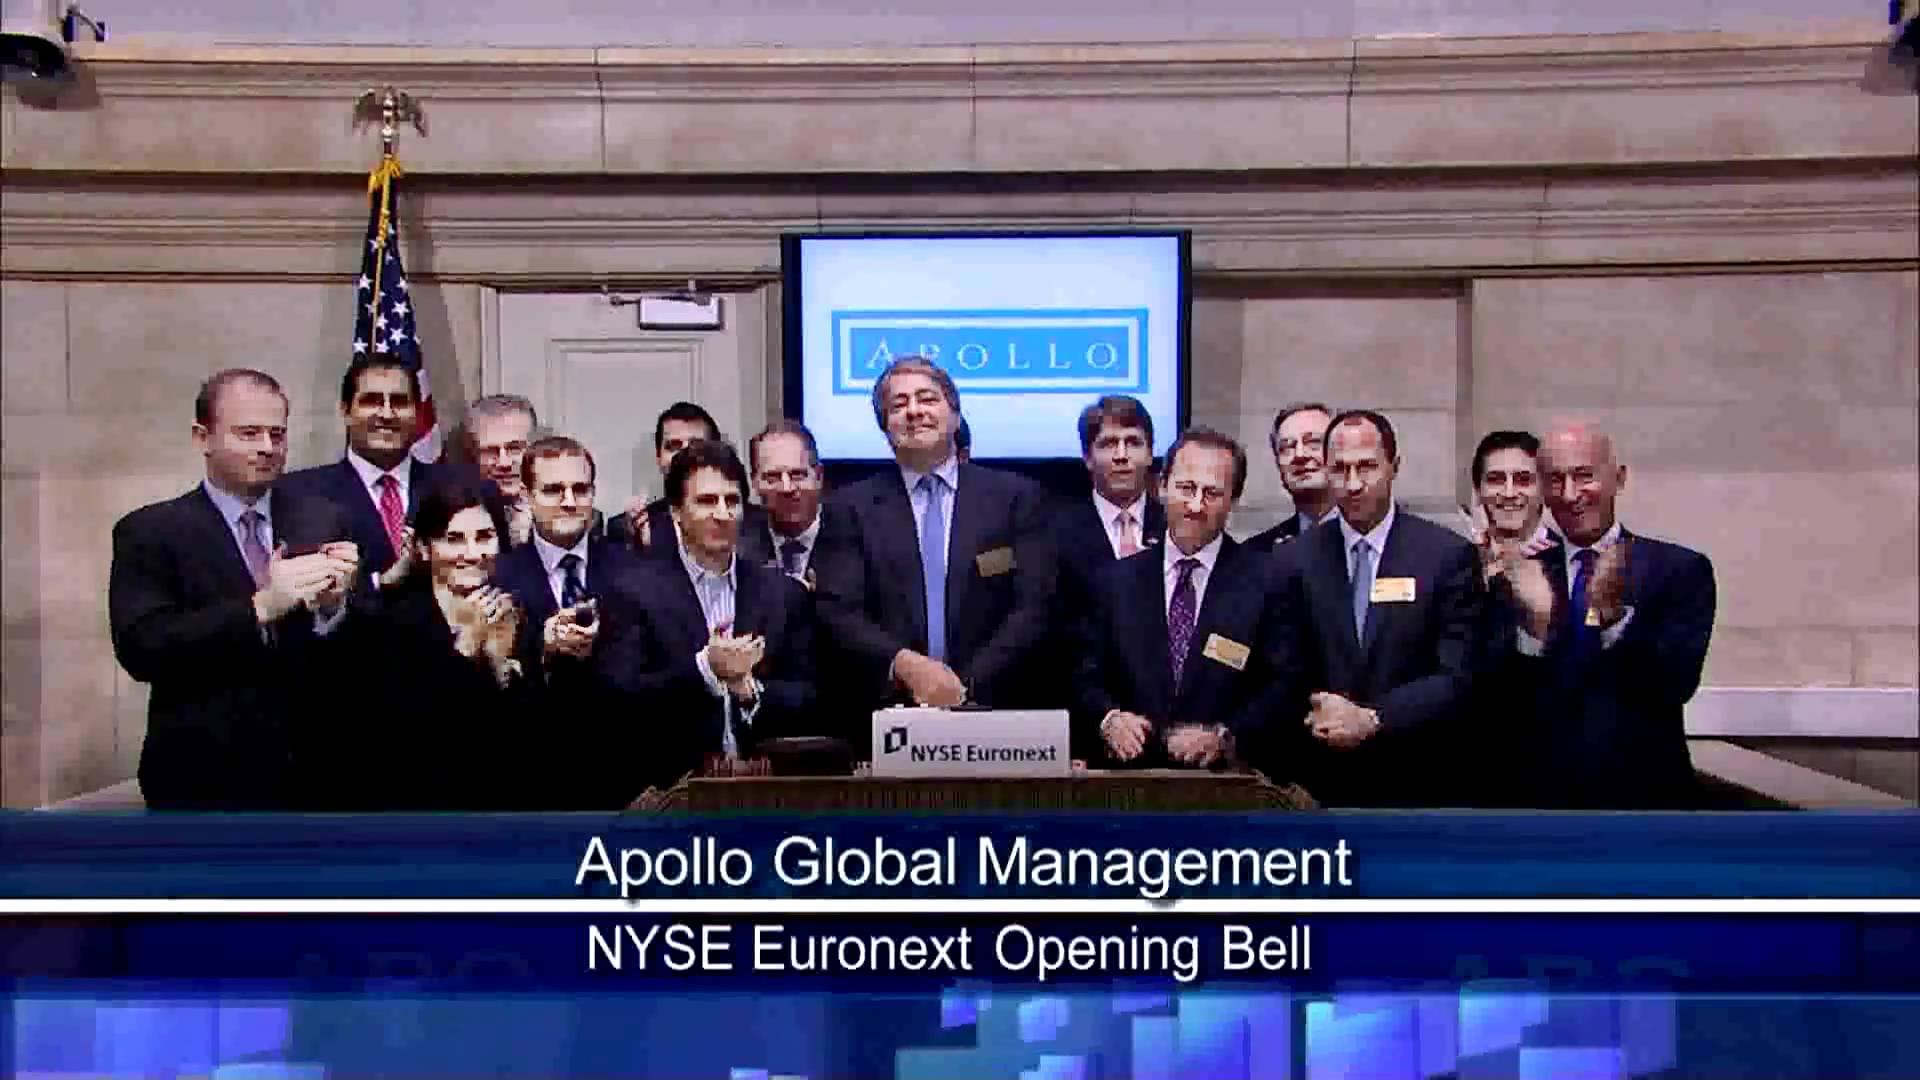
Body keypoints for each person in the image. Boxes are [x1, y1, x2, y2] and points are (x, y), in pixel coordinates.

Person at [108, 369, 359, 809]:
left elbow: (355, 655)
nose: (267, 447)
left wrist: (333, 610)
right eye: (248, 433)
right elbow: (142, 648)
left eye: (277, 434)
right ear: (202, 437)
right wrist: (259, 607)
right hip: (203, 779)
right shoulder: (151, 531)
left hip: (316, 779)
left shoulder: (322, 519)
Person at [812, 356, 1056, 722]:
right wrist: (907, 666)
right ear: (885, 426)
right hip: (887, 715)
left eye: (927, 399)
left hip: (996, 711)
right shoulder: (849, 508)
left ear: (955, 416)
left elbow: (1034, 607)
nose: (914, 411)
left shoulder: (1016, 499)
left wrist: (963, 687)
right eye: (899, 404)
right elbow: (839, 611)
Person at [1497, 422, 1717, 809]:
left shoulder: (1677, 570)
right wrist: (1535, 629)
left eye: (1584, 476)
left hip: (1644, 798)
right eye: (1555, 480)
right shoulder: (1519, 574)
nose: (1570, 494)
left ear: (1619, 478)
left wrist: (1614, 623)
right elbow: (1495, 698)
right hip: (1539, 799)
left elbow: (1675, 684)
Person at [1271, 409, 1483, 807]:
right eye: (1340, 469)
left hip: (1417, 781)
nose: (1353, 484)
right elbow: (1284, 669)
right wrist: (1323, 711)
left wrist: (1373, 718)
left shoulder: (1445, 556)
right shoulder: (1294, 561)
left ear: (1393, 466)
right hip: (1322, 786)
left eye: (1366, 467)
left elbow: (1457, 675)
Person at [596, 440, 817, 793]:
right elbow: (620, 701)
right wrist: (705, 669)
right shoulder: (632, 593)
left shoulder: (783, 594)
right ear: (676, 512)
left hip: (770, 793)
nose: (722, 513)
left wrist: (751, 692)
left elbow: (810, 697)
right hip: (672, 795)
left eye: (732, 501)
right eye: (707, 501)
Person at [1073, 429, 1291, 772]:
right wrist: (1109, 718)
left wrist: (1226, 736)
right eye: (1187, 488)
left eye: (1212, 493)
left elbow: (1284, 686)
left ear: (1233, 499)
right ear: (1162, 486)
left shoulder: (1269, 581)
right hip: (1130, 782)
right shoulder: (1113, 583)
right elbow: (1084, 675)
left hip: (1227, 784)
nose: (1196, 506)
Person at [326, 475, 538, 810]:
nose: (473, 553)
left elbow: (527, 741)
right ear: (424, 548)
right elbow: (408, 741)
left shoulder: (516, 615)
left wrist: (500, 667)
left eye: (485, 537)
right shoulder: (386, 627)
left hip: (499, 812)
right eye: (454, 539)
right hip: (419, 811)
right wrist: (467, 648)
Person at [279, 354, 441, 577]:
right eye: (371, 401)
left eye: (400, 402)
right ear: (345, 411)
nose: (386, 414)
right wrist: (378, 583)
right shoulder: (299, 493)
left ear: (417, 413)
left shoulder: (453, 487)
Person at [609, 401, 770, 564]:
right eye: (673, 446)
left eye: (696, 445)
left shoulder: (760, 524)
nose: (683, 454)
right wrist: (640, 550)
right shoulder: (629, 528)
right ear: (658, 457)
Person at [1248, 402, 1337, 551]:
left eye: (1313, 442)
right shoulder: (1255, 554)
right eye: (1287, 447)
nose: (1300, 455)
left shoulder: (1373, 537)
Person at [748, 419, 827, 584]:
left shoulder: (857, 538)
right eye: (772, 477)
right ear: (754, 482)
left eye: (797, 475)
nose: (786, 488)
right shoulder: (737, 547)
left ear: (819, 477)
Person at [465, 394, 542, 546]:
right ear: (474, 455)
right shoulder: (456, 521)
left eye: (514, 448)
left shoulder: (569, 512)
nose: (504, 462)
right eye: (490, 451)